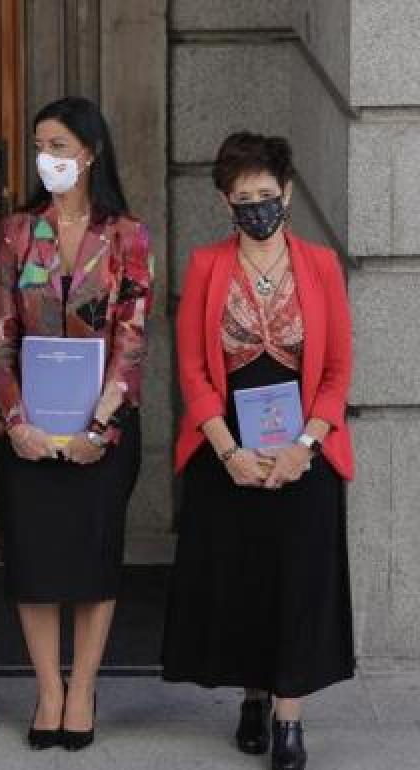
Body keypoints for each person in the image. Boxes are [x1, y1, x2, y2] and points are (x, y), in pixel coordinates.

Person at [162, 132, 355, 770]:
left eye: (267, 195)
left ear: (289, 193)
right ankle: (252, 695)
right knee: (245, 583)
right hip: (229, 451)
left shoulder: (322, 266)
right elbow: (192, 370)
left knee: (297, 584)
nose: (257, 207)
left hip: (305, 452)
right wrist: (227, 452)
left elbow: (337, 373)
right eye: (243, 197)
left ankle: (289, 718)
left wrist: (305, 446)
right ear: (225, 202)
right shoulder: (206, 266)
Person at [0, 96, 152, 751]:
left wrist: (98, 430)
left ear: (90, 152)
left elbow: (132, 339)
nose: (46, 158)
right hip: (28, 432)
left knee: (93, 562)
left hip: (98, 434)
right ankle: (49, 688)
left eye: (58, 145)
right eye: (39, 146)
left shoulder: (128, 235)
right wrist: (16, 420)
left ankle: (84, 690)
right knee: (36, 564)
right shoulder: (17, 231)